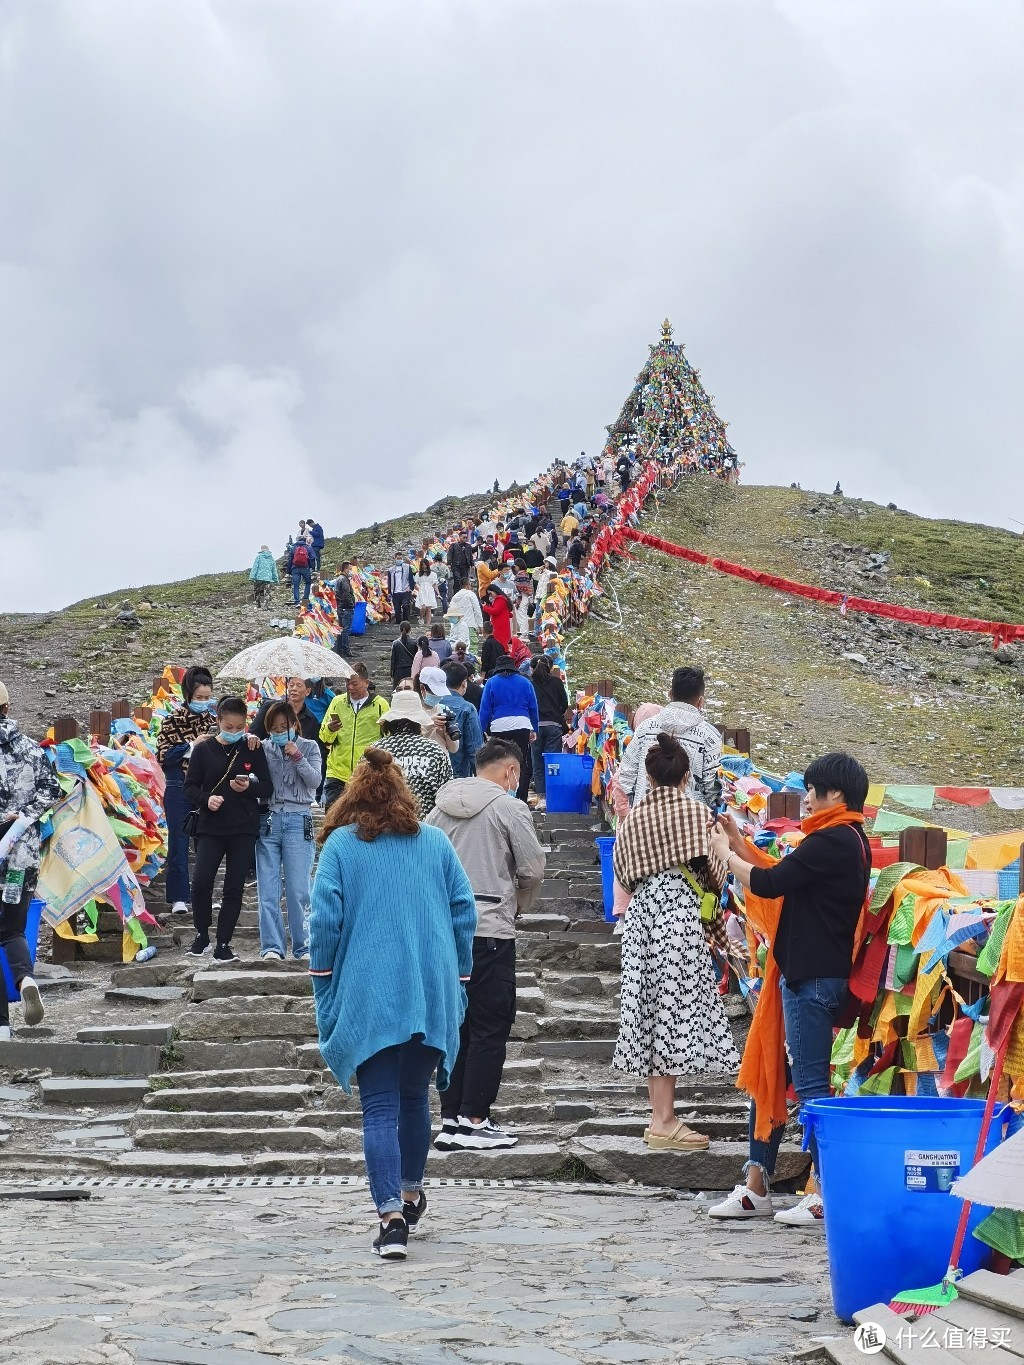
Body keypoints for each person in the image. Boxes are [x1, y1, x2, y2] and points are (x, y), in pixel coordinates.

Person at [309, 748, 476, 1259]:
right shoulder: (436, 842)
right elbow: (464, 910)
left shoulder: (340, 845)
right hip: (431, 988)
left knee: (379, 1105)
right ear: (407, 796)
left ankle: (391, 1217)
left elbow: (323, 922)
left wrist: (324, 979)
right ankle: (408, 1193)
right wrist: (461, 974)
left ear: (351, 797)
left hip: (369, 989)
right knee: (414, 1099)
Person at [708, 752, 871, 1227]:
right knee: (771, 1077)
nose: (806, 801)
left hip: (813, 979)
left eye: (812, 791)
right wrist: (739, 842)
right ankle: (757, 1182)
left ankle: (824, 1189)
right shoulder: (839, 840)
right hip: (803, 975)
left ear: (834, 795)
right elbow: (785, 874)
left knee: (814, 1088)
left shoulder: (835, 840)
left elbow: (771, 881)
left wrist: (725, 854)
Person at [612, 733, 738, 1149]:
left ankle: (660, 1116)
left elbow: (624, 874)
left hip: (642, 915)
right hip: (679, 916)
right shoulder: (697, 813)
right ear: (686, 776)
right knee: (672, 1013)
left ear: (648, 777)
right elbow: (717, 871)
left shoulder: (631, 820)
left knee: (650, 1011)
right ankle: (664, 1120)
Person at [427, 737, 545, 1150]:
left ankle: (451, 1118)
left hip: (445, 932)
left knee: (453, 1024)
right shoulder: (510, 808)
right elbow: (531, 868)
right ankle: (476, 1118)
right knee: (490, 1025)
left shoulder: (438, 810)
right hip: (491, 928)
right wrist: (516, 907)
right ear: (511, 771)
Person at [183, 696, 272, 963]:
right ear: (219, 720)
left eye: (239, 727)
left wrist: (250, 787)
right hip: (210, 826)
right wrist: (206, 799)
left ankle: (224, 942)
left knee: (234, 887)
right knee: (201, 882)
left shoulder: (252, 748)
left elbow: (267, 786)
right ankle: (201, 934)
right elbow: (189, 787)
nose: (234, 732)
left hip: (243, 827)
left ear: (245, 724)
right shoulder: (203, 750)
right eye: (229, 726)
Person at [0, 680, 63, 1041]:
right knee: (11, 929)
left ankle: (2, 1027)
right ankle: (25, 978)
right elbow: (52, 790)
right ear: (7, 709)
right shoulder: (31, 749)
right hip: (20, 855)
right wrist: (21, 815)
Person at [256, 701, 322, 962]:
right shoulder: (262, 748)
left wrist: (297, 756)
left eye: (284, 726)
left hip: (299, 820)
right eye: (274, 728)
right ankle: (272, 946)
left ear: (295, 724)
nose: (279, 731)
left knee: (299, 889)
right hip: (269, 820)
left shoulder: (310, 747)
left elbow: (315, 781)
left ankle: (304, 945)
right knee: (268, 889)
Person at [155, 666, 218, 915]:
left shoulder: (214, 721)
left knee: (207, 843)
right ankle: (179, 896)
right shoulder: (172, 720)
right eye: (199, 697)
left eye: (207, 697)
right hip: (178, 787)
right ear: (188, 694)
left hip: (207, 788)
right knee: (179, 842)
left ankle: (204, 893)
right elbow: (162, 756)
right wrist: (192, 746)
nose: (203, 702)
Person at [617, 667, 722, 810]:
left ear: (670, 694)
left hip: (645, 819)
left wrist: (637, 801)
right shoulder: (710, 737)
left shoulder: (645, 728)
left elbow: (626, 774)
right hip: (691, 823)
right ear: (700, 701)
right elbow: (712, 789)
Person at [373, 691, 453, 817]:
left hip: (383, 826)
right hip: (425, 829)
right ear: (418, 721)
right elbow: (448, 795)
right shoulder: (434, 750)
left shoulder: (376, 750)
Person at [318, 666, 389, 809]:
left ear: (366, 683)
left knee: (364, 819)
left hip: (367, 773)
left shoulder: (381, 705)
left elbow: (388, 737)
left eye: (354, 684)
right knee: (334, 819)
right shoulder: (337, 702)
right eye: (347, 683)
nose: (350, 687)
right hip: (337, 772)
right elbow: (323, 736)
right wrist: (330, 729)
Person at [478, 654, 538, 803]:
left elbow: (485, 709)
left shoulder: (491, 682)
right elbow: (533, 707)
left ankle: (501, 796)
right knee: (521, 761)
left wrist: (481, 729)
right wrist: (534, 728)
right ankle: (521, 798)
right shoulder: (525, 682)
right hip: (522, 725)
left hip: (499, 726)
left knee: (500, 760)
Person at [424, 665, 483, 778]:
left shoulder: (429, 704)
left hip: (429, 770)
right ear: (464, 683)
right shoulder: (467, 708)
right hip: (457, 773)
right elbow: (474, 747)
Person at [529, 657, 569, 811]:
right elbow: (564, 704)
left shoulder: (530, 683)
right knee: (552, 764)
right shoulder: (557, 683)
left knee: (538, 763)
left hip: (536, 727)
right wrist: (556, 712)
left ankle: (542, 798)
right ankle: (554, 796)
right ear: (551, 668)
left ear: (532, 668)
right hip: (554, 726)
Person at [445, 578, 484, 651]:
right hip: (470, 624)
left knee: (459, 648)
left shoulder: (455, 597)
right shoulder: (471, 594)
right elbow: (477, 610)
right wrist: (480, 625)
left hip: (457, 625)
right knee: (472, 647)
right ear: (468, 585)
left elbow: (451, 612)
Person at [330, 563, 357, 660]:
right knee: (346, 630)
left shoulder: (338, 579)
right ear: (345, 569)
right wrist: (351, 604)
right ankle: (346, 650)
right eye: (350, 569)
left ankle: (340, 649)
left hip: (340, 607)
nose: (351, 571)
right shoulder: (344, 580)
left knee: (341, 629)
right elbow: (346, 594)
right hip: (346, 607)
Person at [482, 586, 513, 651]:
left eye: (490, 594)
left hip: (499, 626)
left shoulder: (500, 599)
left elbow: (495, 611)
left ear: (495, 591)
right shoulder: (501, 599)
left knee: (500, 644)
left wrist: (485, 607)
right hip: (500, 625)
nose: (490, 596)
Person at [387, 554, 415, 624]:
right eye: (398, 558)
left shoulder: (407, 567)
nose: (399, 560)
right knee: (397, 610)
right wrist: (389, 592)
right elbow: (389, 581)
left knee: (405, 606)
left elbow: (411, 578)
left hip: (405, 590)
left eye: (400, 558)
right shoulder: (391, 570)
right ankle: (398, 624)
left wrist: (411, 588)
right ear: (395, 559)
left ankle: (406, 622)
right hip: (396, 592)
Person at [389, 621, 418, 687]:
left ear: (400, 629)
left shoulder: (396, 643)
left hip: (399, 670)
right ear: (410, 629)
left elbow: (393, 659)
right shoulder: (415, 642)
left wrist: (392, 674)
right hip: (411, 669)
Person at [288, 537, 313, 607]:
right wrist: (311, 567)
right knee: (308, 582)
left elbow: (290, 559)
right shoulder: (308, 547)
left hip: (295, 568)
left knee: (296, 584)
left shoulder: (293, 547)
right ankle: (305, 599)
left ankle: (297, 601)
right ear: (305, 541)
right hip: (305, 568)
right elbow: (312, 558)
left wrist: (289, 570)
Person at [415, 559, 439, 627]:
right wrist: (418, 590)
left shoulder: (433, 574)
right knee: (423, 607)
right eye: (422, 565)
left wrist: (438, 593)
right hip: (422, 591)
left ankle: (428, 624)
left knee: (429, 609)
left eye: (425, 565)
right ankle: (421, 617)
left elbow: (434, 584)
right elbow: (416, 584)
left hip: (430, 591)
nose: (424, 566)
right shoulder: (418, 574)